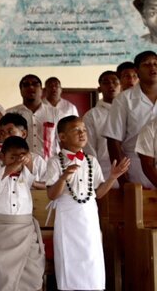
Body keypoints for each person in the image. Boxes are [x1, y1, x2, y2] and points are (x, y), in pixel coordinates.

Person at [46, 116, 130, 291]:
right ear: (62, 137)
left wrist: (113, 177)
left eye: (84, 130)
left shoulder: (91, 160)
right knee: (69, 259)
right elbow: (52, 195)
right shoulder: (55, 162)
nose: (82, 133)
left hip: (89, 217)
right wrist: (63, 177)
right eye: (76, 130)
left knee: (91, 257)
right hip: (68, 218)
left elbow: (98, 193)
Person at [0, 136, 45, 291]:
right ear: (1, 157)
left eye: (21, 156)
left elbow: (30, 167)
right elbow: (9, 169)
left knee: (33, 269)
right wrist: (19, 161)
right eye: (12, 157)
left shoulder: (27, 175)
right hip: (3, 231)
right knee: (4, 272)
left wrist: (27, 159)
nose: (17, 161)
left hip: (25, 228)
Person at [104, 50, 157, 187]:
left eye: (156, 64)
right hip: (136, 170)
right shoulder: (123, 99)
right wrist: (124, 181)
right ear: (137, 70)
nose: (152, 68)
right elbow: (113, 140)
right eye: (147, 64)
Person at [6, 75, 61, 161]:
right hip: (20, 165)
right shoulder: (10, 113)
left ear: (42, 90)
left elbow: (62, 141)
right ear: (21, 91)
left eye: (35, 84)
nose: (31, 87)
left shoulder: (55, 113)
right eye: (26, 85)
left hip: (48, 166)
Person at [0, 113, 47, 188]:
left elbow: (49, 186)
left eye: (10, 132)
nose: (6, 136)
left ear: (24, 134)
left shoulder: (37, 160)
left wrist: (33, 183)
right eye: (2, 133)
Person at [83, 71, 121, 182]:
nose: (111, 85)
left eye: (115, 82)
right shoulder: (92, 115)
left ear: (120, 86)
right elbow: (89, 149)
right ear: (99, 89)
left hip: (132, 171)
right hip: (105, 173)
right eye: (106, 83)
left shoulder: (129, 111)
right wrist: (95, 177)